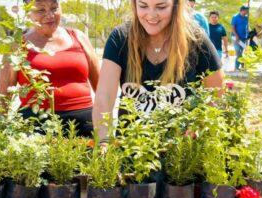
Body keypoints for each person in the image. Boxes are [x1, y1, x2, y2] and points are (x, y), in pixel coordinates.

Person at [93, 0, 224, 141]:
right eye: (143, 6)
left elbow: (217, 96)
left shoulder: (196, 39)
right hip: (131, 149)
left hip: (181, 152)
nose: (151, 15)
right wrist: (103, 142)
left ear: (176, 6)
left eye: (161, 7)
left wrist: (200, 124)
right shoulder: (120, 38)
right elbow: (104, 97)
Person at [0, 0, 100, 137]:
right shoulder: (16, 45)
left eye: (54, 8)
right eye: (41, 10)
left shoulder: (79, 37)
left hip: (84, 130)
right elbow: (2, 97)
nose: (50, 15)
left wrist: (106, 130)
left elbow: (102, 88)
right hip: (34, 132)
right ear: (28, 12)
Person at [231, 5, 249, 71]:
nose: (247, 11)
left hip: (244, 38)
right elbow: (233, 28)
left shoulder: (246, 18)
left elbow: (247, 27)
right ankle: (236, 67)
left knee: (242, 52)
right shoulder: (235, 17)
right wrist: (236, 36)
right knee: (238, 52)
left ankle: (242, 66)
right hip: (235, 37)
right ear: (242, 10)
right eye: (246, 10)